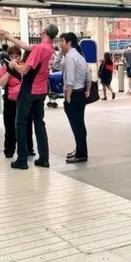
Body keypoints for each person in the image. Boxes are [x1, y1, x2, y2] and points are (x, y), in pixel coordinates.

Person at [0, 24, 57, 170]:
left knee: (20, 123)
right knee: (39, 123)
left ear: (43, 32)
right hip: (42, 90)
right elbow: (25, 46)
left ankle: (22, 159)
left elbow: (25, 71)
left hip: (29, 90)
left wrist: (13, 65)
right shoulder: (50, 47)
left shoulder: (40, 49)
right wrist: (9, 36)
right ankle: (44, 158)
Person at [58, 32, 92, 164]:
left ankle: (81, 154)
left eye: (62, 41)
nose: (60, 44)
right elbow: (88, 77)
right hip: (81, 93)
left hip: (73, 94)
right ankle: (80, 150)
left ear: (69, 42)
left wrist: (68, 97)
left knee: (76, 126)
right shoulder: (80, 57)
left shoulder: (70, 58)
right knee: (80, 125)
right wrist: (88, 90)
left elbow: (70, 80)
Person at [0, 46, 35, 158]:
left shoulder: (24, 66)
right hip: (11, 100)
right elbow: (2, 83)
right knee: (10, 126)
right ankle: (9, 150)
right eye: (12, 56)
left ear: (20, 55)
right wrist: (9, 71)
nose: (15, 58)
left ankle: (28, 148)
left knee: (27, 125)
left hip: (24, 100)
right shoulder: (5, 68)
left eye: (17, 56)